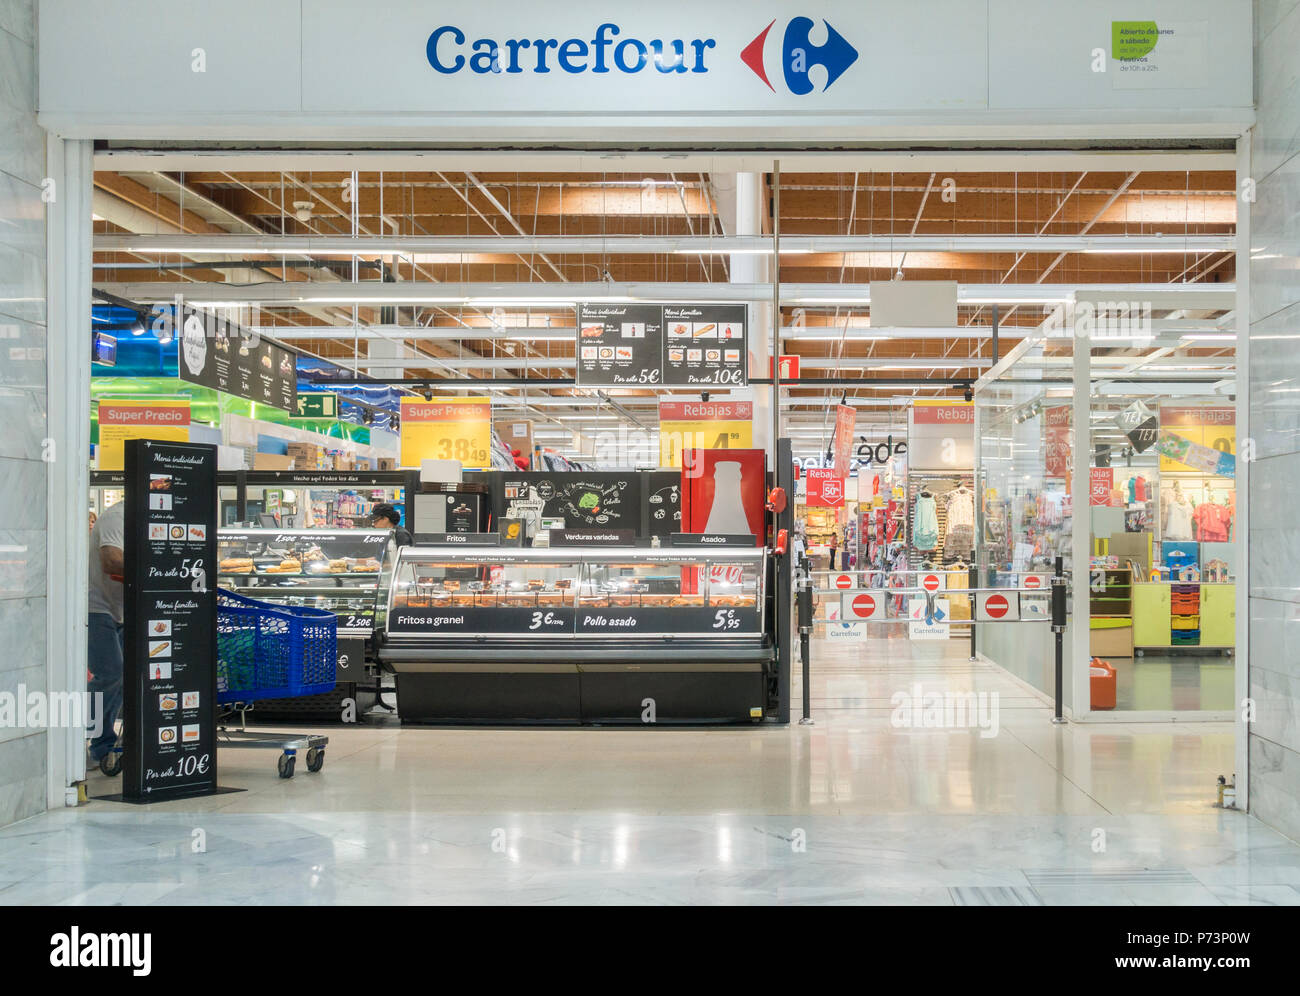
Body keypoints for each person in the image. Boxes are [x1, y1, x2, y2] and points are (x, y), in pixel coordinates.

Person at [87, 499, 126, 765]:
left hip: (126, 607)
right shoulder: (117, 517)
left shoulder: (152, 521)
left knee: (122, 676)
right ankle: (94, 740)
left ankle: (102, 741)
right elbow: (112, 561)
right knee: (111, 672)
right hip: (96, 607)